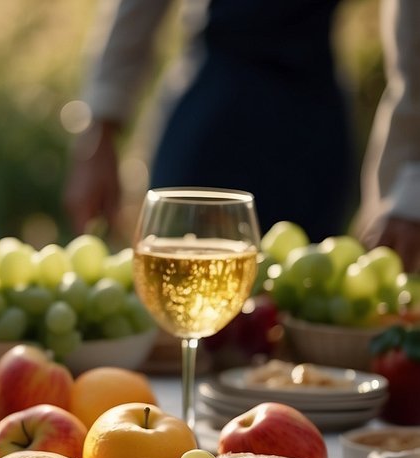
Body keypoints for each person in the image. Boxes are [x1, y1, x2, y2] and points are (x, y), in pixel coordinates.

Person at [65, 0, 420, 272]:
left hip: (310, 136)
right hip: (208, 120)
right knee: (176, 283)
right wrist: (100, 130)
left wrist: (410, 182)